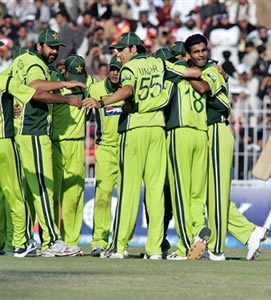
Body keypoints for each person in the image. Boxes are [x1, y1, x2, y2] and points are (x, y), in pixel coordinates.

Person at [0, 37, 81, 257]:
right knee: (15, 192)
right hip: (1, 139)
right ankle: (21, 243)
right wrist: (68, 100)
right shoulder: (3, 82)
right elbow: (36, 94)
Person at [82, 32, 202, 259]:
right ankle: (155, 249)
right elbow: (193, 72)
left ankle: (119, 247)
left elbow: (127, 91)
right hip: (157, 129)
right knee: (155, 192)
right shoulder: (159, 64)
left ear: (135, 49)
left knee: (129, 190)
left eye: (121, 50)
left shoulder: (129, 69)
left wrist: (101, 101)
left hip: (134, 129)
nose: (118, 54)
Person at [184, 34, 269, 261]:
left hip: (217, 130)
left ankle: (217, 249)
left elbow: (202, 88)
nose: (201, 54)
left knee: (218, 194)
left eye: (203, 50)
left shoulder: (211, 69)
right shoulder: (204, 69)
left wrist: (177, 71)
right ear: (189, 54)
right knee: (212, 195)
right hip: (207, 132)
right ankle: (251, 232)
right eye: (196, 51)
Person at [9, 29, 87, 257]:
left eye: (57, 48)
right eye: (50, 47)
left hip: (19, 131)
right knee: (43, 187)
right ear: (39, 45)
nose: (54, 52)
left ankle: (22, 242)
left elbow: (5, 84)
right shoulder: (35, 64)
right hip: (33, 130)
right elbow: (35, 87)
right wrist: (66, 96)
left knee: (27, 189)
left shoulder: (20, 60)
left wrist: (11, 105)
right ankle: (52, 241)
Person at [150, 47, 210, 261]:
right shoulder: (203, 71)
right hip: (201, 134)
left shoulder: (170, 73)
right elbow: (202, 84)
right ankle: (199, 228)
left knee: (178, 195)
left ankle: (184, 246)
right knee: (196, 194)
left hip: (178, 133)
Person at [51, 55, 96, 254]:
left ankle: (71, 241)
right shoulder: (55, 83)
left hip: (77, 143)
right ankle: (52, 240)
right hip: (55, 143)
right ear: (64, 72)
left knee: (74, 195)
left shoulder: (89, 83)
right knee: (53, 195)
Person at [88, 55, 123, 257]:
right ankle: (99, 240)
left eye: (119, 69)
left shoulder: (129, 88)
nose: (115, 73)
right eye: (113, 69)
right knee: (103, 194)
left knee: (127, 196)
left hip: (127, 148)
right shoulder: (96, 89)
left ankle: (120, 240)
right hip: (105, 148)